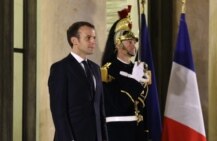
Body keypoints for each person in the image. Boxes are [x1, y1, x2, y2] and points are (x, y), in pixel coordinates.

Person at [48, 21, 108, 141]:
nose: (93, 41)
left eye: (94, 38)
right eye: (88, 38)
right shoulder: (60, 68)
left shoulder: (96, 69)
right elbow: (59, 111)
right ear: (74, 40)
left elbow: (100, 110)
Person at [101, 6, 150, 141]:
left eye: (134, 42)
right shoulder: (107, 71)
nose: (133, 45)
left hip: (138, 130)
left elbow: (143, 103)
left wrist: (146, 130)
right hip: (117, 130)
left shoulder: (139, 68)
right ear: (117, 44)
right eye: (129, 42)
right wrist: (135, 81)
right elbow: (119, 104)